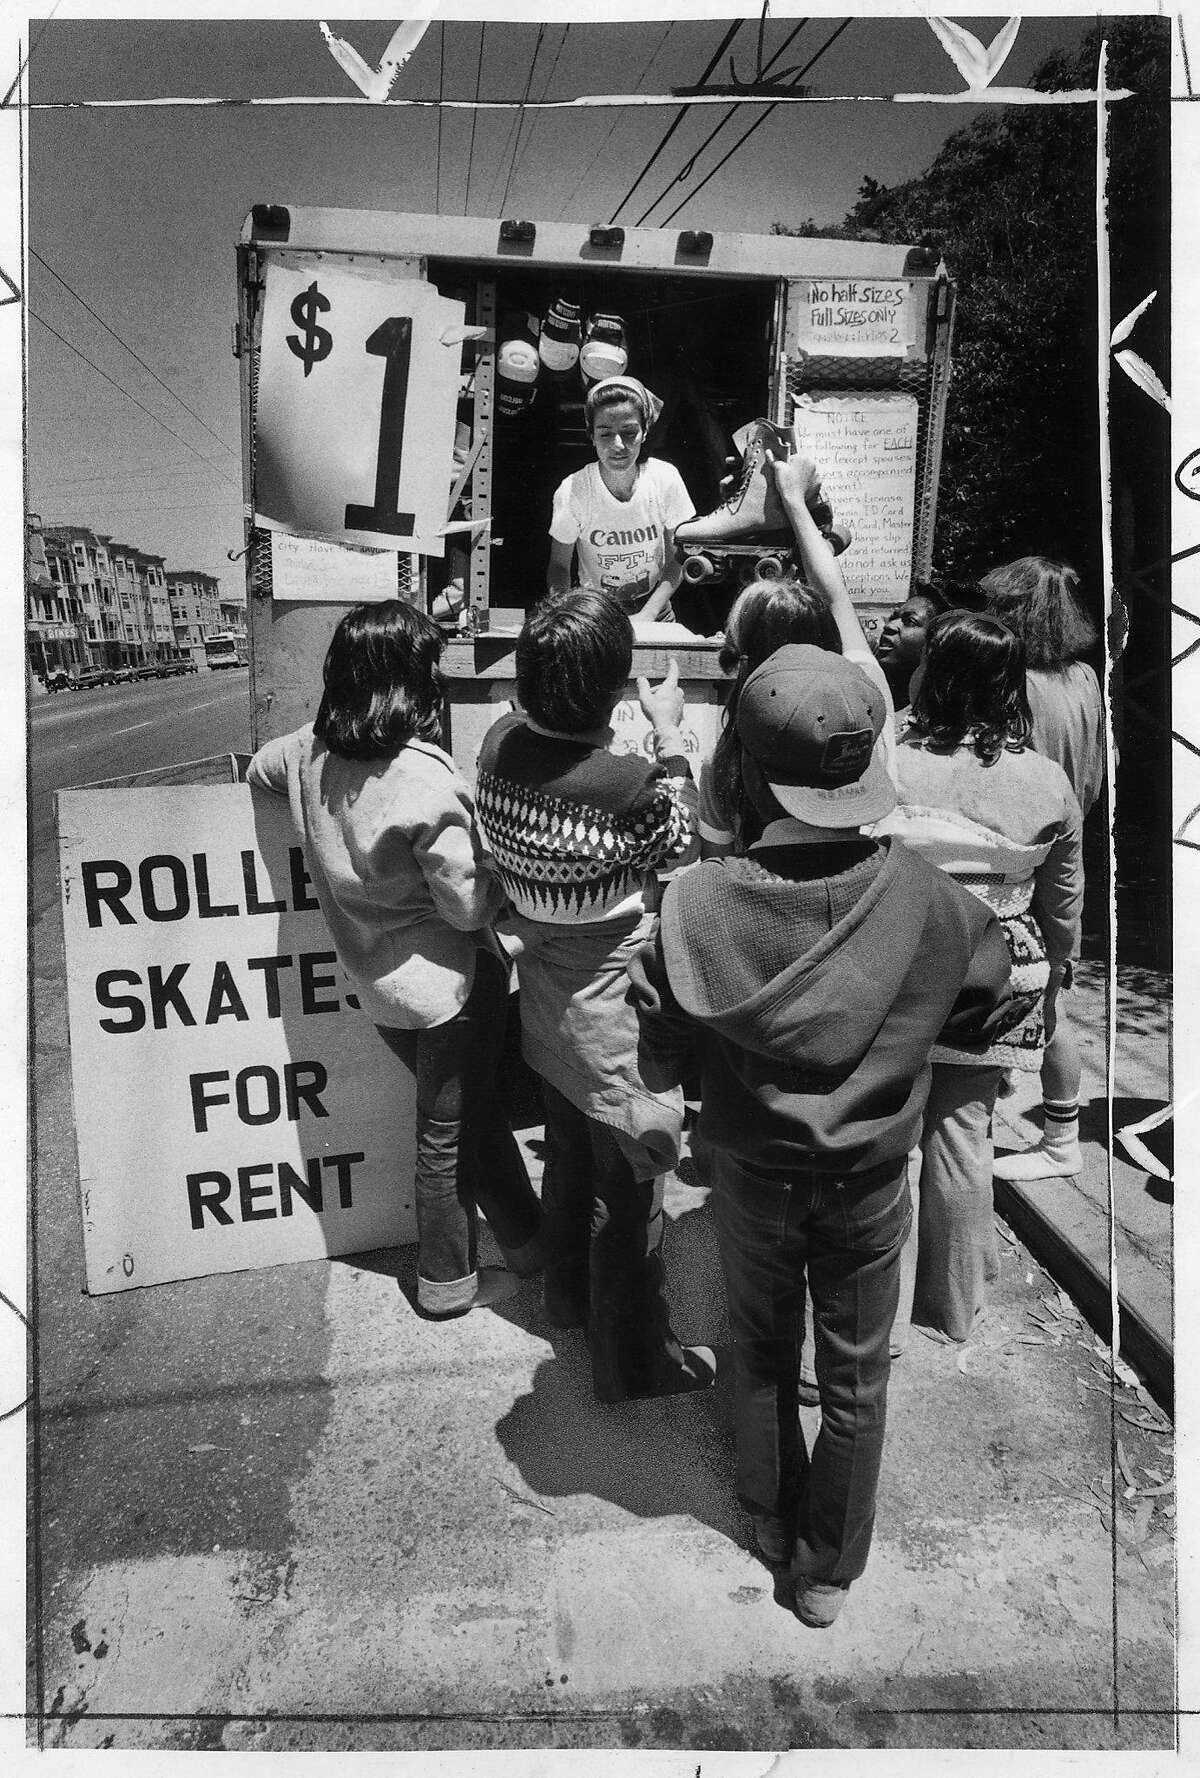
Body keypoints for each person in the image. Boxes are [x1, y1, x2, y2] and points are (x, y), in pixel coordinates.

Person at [628, 643, 1012, 1626]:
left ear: (748, 768)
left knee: (757, 1342)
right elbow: (983, 1008)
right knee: (855, 1372)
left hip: (752, 1172)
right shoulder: (936, 901)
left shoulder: (697, 901)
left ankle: (765, 1507)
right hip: (874, 1177)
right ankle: (829, 1570)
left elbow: (661, 1047)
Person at [245, 601, 543, 1319]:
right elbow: (466, 908)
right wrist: (508, 870)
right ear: (411, 679)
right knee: (444, 1143)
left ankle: (533, 1247)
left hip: (379, 992)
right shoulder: (423, 779)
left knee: (470, 1124)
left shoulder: (303, 755)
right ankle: (444, 1287)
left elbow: (255, 772)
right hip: (453, 991)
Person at [474, 587, 715, 1404]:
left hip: (542, 1000)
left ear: (522, 685)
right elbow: (685, 840)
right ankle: (631, 1363)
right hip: (616, 1018)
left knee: (569, 1160)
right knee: (626, 1200)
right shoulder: (632, 785)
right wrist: (673, 733)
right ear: (618, 692)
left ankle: (566, 1301)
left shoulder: (497, 746)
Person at [873, 611, 1084, 1342]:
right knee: (965, 1136)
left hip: (898, 965)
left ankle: (876, 1319)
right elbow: (1063, 902)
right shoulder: (1045, 778)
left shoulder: (889, 757)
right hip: (1002, 975)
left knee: (881, 1142)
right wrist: (1059, 967)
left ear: (933, 671)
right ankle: (953, 1310)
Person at [699, 451, 896, 859]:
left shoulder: (727, 759)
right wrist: (793, 499)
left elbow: (715, 866)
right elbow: (834, 593)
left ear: (744, 655)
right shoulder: (864, 690)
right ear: (826, 631)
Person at [981, 555, 1106, 1180]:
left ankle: (1061, 1141)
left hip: (1025, 848)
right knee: (1054, 981)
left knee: (1048, 999)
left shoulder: (1013, 683)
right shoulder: (1085, 677)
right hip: (1070, 834)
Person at [547, 376, 694, 622]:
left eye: (629, 432)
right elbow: (559, 566)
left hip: (656, 607)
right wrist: (570, 617)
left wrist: (649, 613)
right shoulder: (574, 489)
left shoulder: (665, 478)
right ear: (591, 435)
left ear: (645, 432)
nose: (618, 445)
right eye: (605, 434)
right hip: (596, 612)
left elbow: (679, 556)